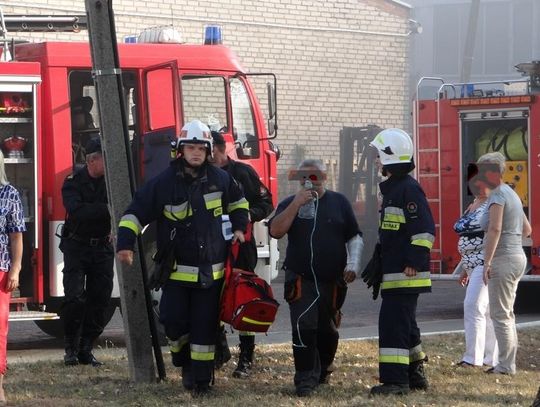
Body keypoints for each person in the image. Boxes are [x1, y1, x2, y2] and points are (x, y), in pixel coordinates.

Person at [116, 120, 249, 396]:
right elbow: (134, 213)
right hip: (175, 273)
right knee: (173, 323)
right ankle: (182, 359)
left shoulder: (221, 179)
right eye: (191, 147)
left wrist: (239, 227)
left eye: (201, 148)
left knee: (204, 330)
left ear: (209, 150)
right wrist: (125, 244)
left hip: (211, 276)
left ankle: (200, 381)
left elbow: (239, 203)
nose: (196, 153)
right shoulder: (163, 184)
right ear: (180, 150)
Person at [269, 159, 363, 397]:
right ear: (299, 179)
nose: (309, 181)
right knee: (304, 327)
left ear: (325, 178)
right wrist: (297, 204)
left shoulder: (339, 202)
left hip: (332, 281)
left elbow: (354, 236)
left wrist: (352, 263)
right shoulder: (290, 203)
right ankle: (304, 380)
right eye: (304, 177)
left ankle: (323, 372)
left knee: (327, 331)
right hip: (301, 279)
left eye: (315, 176)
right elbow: (275, 230)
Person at [368, 128, 435, 396]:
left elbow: (425, 230)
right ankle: (416, 374)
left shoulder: (407, 189)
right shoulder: (395, 189)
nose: (375, 161)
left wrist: (414, 262)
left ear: (390, 157)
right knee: (406, 324)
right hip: (396, 271)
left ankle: (395, 381)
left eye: (377, 156)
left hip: (405, 273)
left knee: (393, 326)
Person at [210, 131, 274, 378]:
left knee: (242, 296)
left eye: (213, 150)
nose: (209, 156)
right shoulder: (202, 175)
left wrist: (248, 215)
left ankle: (246, 358)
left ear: (221, 148)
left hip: (240, 246)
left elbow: (265, 202)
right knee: (211, 297)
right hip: (211, 246)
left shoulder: (243, 173)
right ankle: (219, 350)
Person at [59, 137, 114, 367]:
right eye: (104, 158)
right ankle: (70, 348)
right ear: (92, 160)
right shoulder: (72, 182)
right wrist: (106, 209)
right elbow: (76, 211)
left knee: (100, 300)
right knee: (75, 299)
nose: (108, 163)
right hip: (77, 247)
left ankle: (86, 348)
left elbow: (122, 204)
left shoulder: (111, 182)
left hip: (101, 248)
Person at [477, 152, 532, 375]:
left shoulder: (498, 195)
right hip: (517, 256)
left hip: (503, 259)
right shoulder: (512, 193)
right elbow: (527, 230)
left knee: (500, 315)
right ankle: (507, 364)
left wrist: (488, 262)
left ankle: (506, 366)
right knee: (506, 313)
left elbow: (495, 228)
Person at [454, 166, 498, 368]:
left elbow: (493, 233)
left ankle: (472, 359)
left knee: (473, 307)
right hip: (472, 264)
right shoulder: (473, 204)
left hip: (484, 263)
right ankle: (491, 358)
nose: (477, 186)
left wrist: (487, 262)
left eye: (480, 182)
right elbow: (466, 236)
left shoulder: (492, 204)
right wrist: (464, 268)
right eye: (473, 182)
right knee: (486, 312)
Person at [0, 150, 25, 404]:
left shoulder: (9, 194)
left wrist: (15, 269)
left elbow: (16, 235)